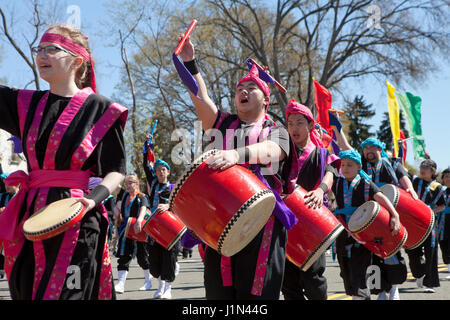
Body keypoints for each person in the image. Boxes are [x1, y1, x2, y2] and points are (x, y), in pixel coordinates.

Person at [0, 24, 127, 300]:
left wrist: (93, 199)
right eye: (40, 49)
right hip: (31, 219)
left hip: (78, 219)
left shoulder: (102, 110)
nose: (42, 55)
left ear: (77, 60)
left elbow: (116, 171)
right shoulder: (24, 103)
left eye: (52, 49)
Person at [176, 34, 297, 299]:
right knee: (219, 295)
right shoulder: (223, 124)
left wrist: (236, 155)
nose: (242, 92)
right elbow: (200, 96)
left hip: (262, 219)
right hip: (221, 217)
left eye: (251, 89)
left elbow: (271, 151)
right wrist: (190, 62)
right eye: (239, 90)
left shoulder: (276, 131)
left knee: (257, 297)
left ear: (265, 99)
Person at [334, 127, 412, 300]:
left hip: (386, 215)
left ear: (380, 149)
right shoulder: (356, 165)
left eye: (372, 147)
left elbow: (403, 177)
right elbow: (345, 147)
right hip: (366, 218)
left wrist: (411, 192)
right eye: (365, 147)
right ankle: (380, 291)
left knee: (391, 254)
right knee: (372, 259)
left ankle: (393, 287)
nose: (368, 150)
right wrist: (337, 126)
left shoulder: (391, 163)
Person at [281, 100, 340, 300]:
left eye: (299, 122)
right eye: (290, 123)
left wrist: (320, 190)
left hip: (311, 219)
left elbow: (330, 174)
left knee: (313, 278)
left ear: (309, 125)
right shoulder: (280, 153)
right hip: (285, 221)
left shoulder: (322, 154)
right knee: (288, 282)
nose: (294, 128)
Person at [142, 138, 179, 299]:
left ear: (168, 172)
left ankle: (166, 288)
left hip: (169, 229)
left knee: (168, 257)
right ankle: (160, 283)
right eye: (158, 170)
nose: (160, 172)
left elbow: (180, 206)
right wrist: (147, 147)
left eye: (163, 170)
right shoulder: (154, 185)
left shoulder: (173, 188)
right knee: (154, 262)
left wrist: (168, 206)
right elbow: (146, 166)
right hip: (154, 229)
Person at [406, 159, 446, 293]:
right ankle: (419, 273)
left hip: (429, 222)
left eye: (426, 167)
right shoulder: (415, 182)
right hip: (413, 222)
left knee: (431, 252)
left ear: (433, 171)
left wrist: (430, 212)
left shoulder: (438, 187)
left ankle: (430, 284)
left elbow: (442, 205)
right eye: (422, 167)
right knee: (412, 251)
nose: (422, 169)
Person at [113, 174, 151, 294]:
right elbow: (115, 184)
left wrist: (139, 220)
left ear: (137, 184)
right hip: (125, 229)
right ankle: (120, 284)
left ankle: (148, 281)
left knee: (142, 257)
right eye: (126, 183)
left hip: (138, 228)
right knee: (124, 255)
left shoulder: (142, 196)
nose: (127, 185)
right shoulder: (124, 195)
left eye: (130, 183)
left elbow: (144, 208)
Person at [0, 177, 18, 280]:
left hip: (16, 231)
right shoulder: (3, 197)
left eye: (9, 184)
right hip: (3, 230)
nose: (7, 187)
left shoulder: (22, 196)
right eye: (6, 184)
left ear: (17, 185)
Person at [438, 168, 450, 279]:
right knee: (443, 244)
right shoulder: (440, 190)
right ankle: (449, 266)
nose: (448, 178)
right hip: (442, 221)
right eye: (446, 176)